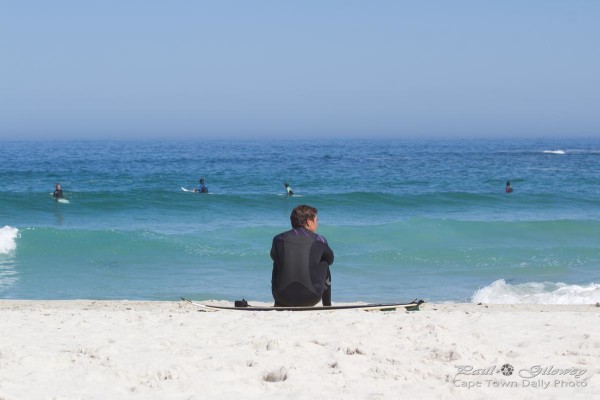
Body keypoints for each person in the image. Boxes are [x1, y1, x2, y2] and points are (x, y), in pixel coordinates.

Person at [270, 205, 334, 307]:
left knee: (277, 262)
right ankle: (327, 305)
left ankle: (277, 303)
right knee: (324, 262)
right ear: (309, 221)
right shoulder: (320, 239)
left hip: (282, 297)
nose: (317, 224)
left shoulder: (278, 239)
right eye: (316, 221)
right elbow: (330, 259)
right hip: (311, 297)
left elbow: (273, 256)